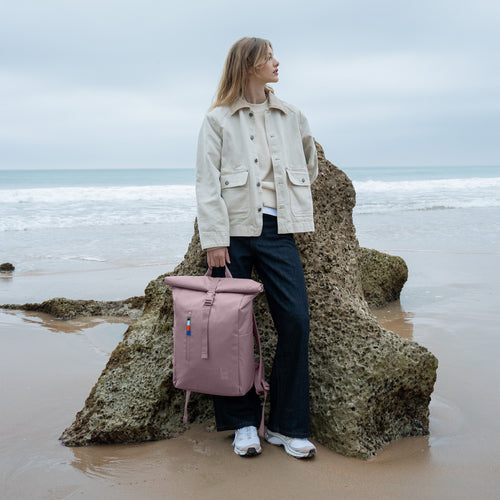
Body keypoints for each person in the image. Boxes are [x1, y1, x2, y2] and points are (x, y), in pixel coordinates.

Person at [195, 37, 318, 459]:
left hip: (278, 230)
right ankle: (243, 423)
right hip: (231, 234)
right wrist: (214, 239)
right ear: (249, 65)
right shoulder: (217, 119)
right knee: (227, 329)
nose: (276, 62)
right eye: (268, 57)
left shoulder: (291, 115)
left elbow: (310, 164)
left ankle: (287, 426)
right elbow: (206, 181)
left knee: (296, 321)